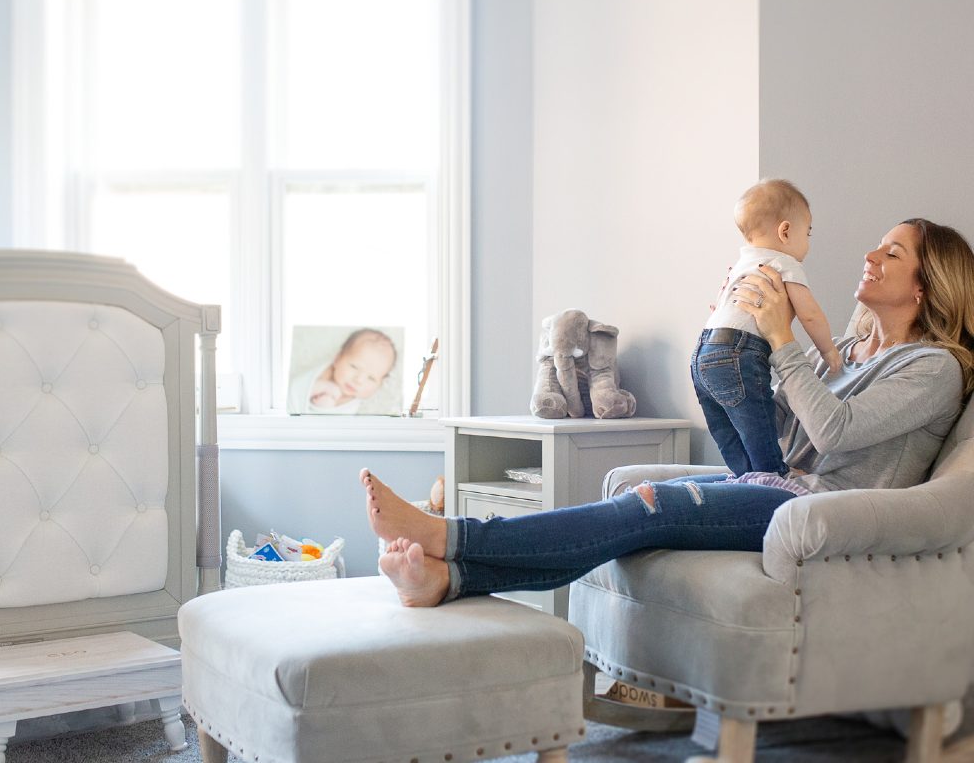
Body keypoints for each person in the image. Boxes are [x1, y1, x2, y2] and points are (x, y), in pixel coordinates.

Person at [362, 218, 974, 607]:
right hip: (781, 483)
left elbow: (835, 430)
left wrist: (784, 339)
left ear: (926, 284)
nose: (872, 253)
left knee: (651, 505)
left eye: (893, 252)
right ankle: (451, 579)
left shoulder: (934, 368)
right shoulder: (847, 352)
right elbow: (787, 430)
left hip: (822, 510)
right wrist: (739, 345)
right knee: (641, 499)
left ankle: (450, 537)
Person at [692, 179, 841, 477]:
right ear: (785, 231)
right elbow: (809, 314)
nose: (808, 243)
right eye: (807, 233)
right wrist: (829, 352)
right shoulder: (783, 263)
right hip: (738, 351)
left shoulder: (741, 264)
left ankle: (745, 478)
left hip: (702, 351)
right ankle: (774, 476)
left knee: (728, 431)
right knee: (756, 422)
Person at [288, 328, 397, 415]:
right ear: (337, 358)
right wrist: (321, 388)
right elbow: (295, 390)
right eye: (354, 367)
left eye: (371, 378)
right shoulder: (325, 374)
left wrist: (325, 406)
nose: (358, 380)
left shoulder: (353, 408)